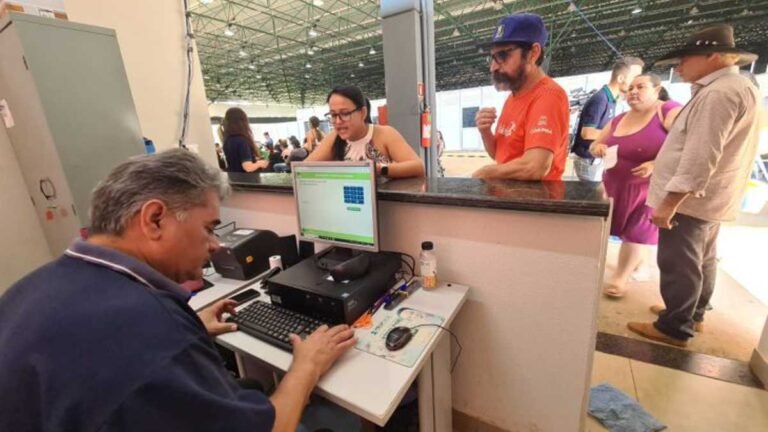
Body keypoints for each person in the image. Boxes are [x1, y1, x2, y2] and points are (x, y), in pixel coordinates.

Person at [0, 149, 357, 431]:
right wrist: (307, 366)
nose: (215, 245)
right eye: (209, 228)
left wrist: (190, 330)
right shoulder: (157, 329)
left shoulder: (28, 290)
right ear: (154, 219)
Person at [627, 25, 760, 347]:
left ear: (712, 55)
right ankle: (692, 312)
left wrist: (670, 203)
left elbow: (701, 155)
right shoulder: (738, 86)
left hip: (691, 200)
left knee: (679, 261)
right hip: (713, 196)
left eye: (686, 58)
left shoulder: (718, 93)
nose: (679, 65)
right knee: (703, 257)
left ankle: (674, 326)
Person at [589, 74, 682, 298]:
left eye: (641, 87)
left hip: (647, 189)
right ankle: (640, 265)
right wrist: (598, 149)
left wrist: (656, 164)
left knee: (636, 233)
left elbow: (688, 144)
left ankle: (620, 277)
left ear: (657, 90)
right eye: (630, 88)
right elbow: (594, 145)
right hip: (613, 185)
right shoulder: (619, 119)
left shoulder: (669, 111)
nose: (633, 92)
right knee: (615, 230)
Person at [472, 13, 569, 181]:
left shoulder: (548, 97)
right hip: (511, 194)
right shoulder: (513, 98)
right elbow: (500, 155)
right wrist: (485, 132)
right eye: (492, 57)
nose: (493, 67)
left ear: (533, 53)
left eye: (503, 56)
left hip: (535, 197)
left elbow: (535, 167)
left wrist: (486, 173)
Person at [307, 85, 425, 178]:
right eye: (333, 115)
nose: (338, 121)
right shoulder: (333, 138)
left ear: (363, 113)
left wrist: (379, 169)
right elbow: (304, 168)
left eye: (345, 113)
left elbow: (418, 167)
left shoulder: (385, 134)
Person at [572, 57, 645, 182]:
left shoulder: (612, 100)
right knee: (591, 194)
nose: (637, 82)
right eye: (634, 77)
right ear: (620, 78)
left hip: (597, 159)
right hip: (589, 160)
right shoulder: (600, 99)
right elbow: (587, 133)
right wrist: (618, 134)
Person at [221, 107, 269, 173]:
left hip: (233, 176)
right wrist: (259, 163)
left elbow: (236, 161)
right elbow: (248, 167)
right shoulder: (242, 141)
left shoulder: (227, 140)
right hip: (247, 178)